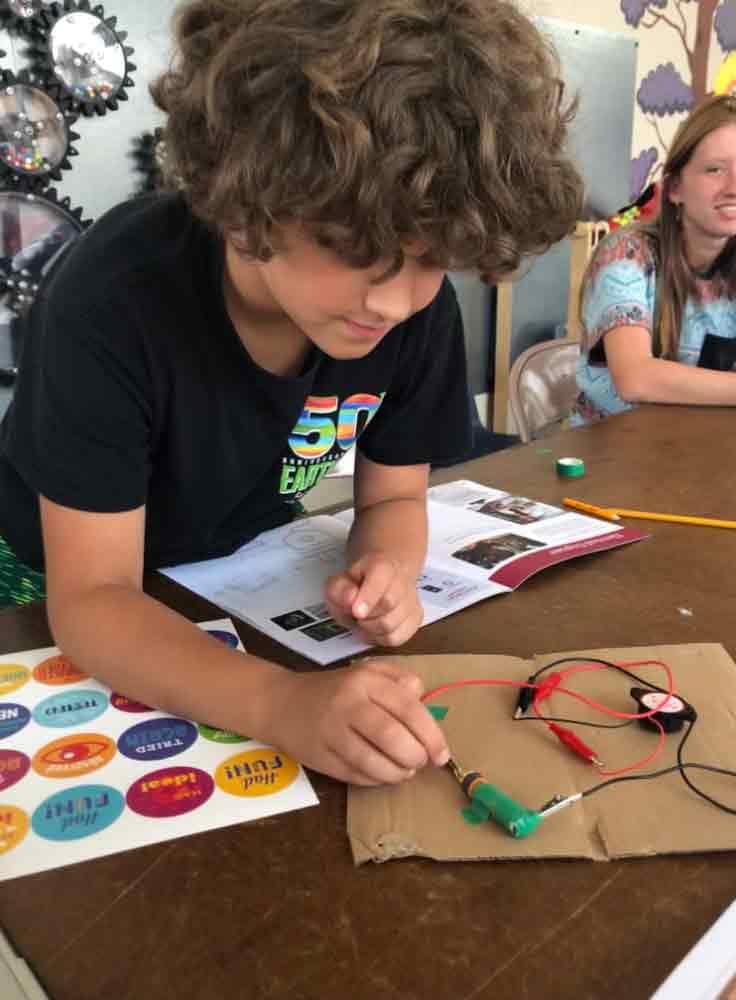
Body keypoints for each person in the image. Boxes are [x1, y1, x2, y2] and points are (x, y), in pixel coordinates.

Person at [0, 0, 582, 785]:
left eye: (434, 257)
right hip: (46, 583)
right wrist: (282, 706)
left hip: (224, 568)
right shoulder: (111, 298)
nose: (392, 300)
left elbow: (393, 502)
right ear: (248, 192)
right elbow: (94, 599)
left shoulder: (414, 315)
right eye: (352, 247)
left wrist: (386, 570)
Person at [575, 92, 736, 425]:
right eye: (714, 170)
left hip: (706, 448)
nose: (735, 188)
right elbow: (635, 379)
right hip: (610, 455)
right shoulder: (627, 254)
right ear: (674, 189)